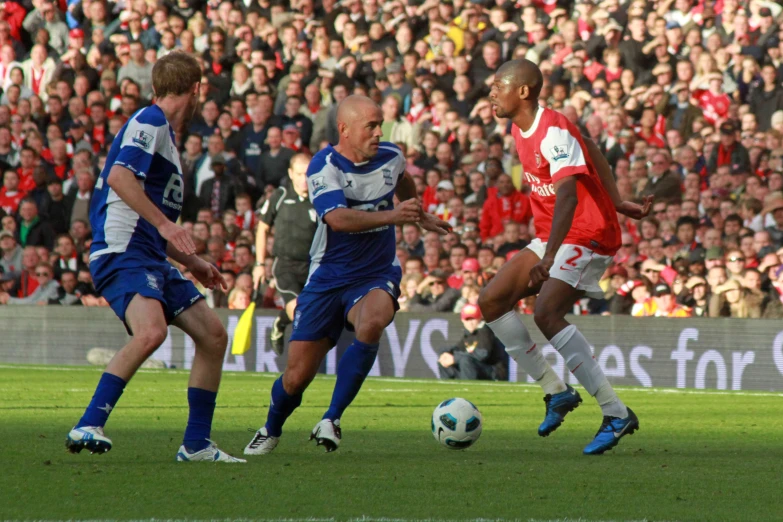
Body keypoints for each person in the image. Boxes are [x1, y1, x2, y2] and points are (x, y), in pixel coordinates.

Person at [244, 95, 450, 456]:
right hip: (327, 277)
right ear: (344, 129)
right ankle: (271, 427)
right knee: (296, 378)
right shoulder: (324, 166)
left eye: (379, 125)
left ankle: (332, 418)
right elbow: (337, 219)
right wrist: (393, 216)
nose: (378, 132)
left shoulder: (392, 157)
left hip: (375, 272)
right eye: (370, 126)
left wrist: (418, 214)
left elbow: (404, 186)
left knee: (372, 322)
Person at [65, 52, 245, 463]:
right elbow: (119, 178)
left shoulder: (164, 134)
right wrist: (167, 226)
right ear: (196, 89)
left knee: (213, 336)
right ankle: (89, 423)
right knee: (151, 332)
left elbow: (142, 209)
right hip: (123, 251)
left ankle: (196, 444)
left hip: (149, 255)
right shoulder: (151, 121)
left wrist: (191, 262)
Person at [479, 59, 651, 456]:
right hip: (556, 233)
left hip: (588, 232)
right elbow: (592, 150)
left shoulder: (553, 131)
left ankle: (616, 412)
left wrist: (554, 252)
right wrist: (621, 201)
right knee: (491, 300)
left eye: (498, 85)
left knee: (546, 313)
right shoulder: (522, 127)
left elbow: (570, 195)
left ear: (523, 91)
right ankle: (556, 390)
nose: (491, 93)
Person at [254, 153, 316, 355]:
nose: (304, 179)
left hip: (313, 266)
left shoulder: (320, 198)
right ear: (291, 174)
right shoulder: (279, 196)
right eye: (299, 174)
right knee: (300, 311)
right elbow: (262, 229)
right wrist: (259, 265)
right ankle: (298, 359)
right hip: (286, 265)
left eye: (308, 174)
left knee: (313, 310)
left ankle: (281, 321)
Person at [438, 303, 507, 381]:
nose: (470, 323)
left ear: (480, 318)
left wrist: (455, 358)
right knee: (444, 361)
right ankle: (448, 390)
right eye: (467, 319)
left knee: (466, 361)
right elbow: (457, 348)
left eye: (473, 319)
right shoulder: (468, 334)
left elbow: (482, 355)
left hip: (494, 373)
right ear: (462, 321)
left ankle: (468, 389)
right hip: (478, 370)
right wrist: (446, 354)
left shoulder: (485, 331)